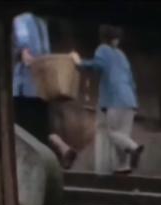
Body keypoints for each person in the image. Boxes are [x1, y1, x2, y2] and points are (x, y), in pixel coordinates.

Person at [71, 25, 143, 175]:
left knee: (113, 133)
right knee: (122, 136)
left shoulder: (103, 49)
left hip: (115, 99)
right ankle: (123, 166)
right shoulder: (122, 55)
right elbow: (131, 80)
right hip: (130, 100)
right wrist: (135, 101)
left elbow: (97, 65)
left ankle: (134, 148)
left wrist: (78, 63)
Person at [12, 11, 76, 168]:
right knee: (40, 128)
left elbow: (25, 48)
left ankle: (38, 163)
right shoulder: (42, 23)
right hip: (42, 87)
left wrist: (24, 53)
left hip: (25, 87)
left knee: (24, 131)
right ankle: (60, 146)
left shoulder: (22, 18)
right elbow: (45, 52)